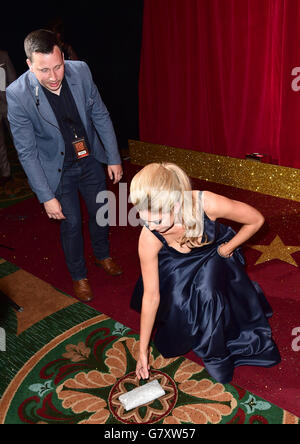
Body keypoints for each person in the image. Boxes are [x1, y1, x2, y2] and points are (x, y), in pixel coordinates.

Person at [130, 162, 281, 384]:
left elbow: (256, 220)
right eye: (144, 218)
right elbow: (151, 296)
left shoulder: (207, 203)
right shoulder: (149, 236)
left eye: (158, 220)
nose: (151, 226)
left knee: (207, 293)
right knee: (179, 302)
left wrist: (227, 249)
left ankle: (220, 352)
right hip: (177, 262)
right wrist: (142, 349)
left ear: (177, 203)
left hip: (214, 253)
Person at [6, 29, 123, 302]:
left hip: (90, 157)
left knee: (101, 212)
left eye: (58, 66)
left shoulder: (80, 70)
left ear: (63, 56)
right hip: (57, 169)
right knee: (70, 225)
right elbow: (27, 151)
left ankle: (102, 255)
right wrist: (46, 196)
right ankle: (78, 275)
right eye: (44, 70)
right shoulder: (17, 94)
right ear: (29, 65)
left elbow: (100, 114)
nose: (54, 76)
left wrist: (114, 157)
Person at [0, 50, 17, 185]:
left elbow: (12, 79)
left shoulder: (3, 55)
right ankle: (6, 173)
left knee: (18, 139)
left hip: (8, 105)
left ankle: (30, 169)